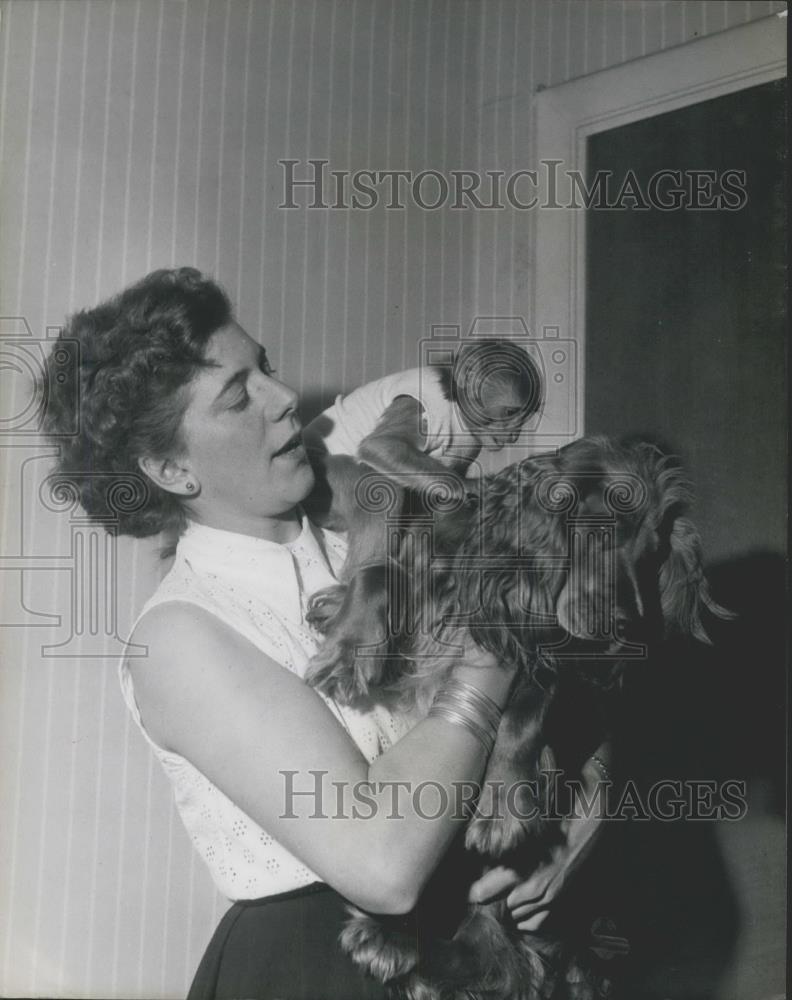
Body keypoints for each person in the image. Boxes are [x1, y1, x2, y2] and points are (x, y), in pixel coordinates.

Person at [43, 267, 569, 1000]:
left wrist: (573, 830)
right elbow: (383, 864)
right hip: (318, 970)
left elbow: (556, 714)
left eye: (266, 369)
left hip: (473, 949)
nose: (284, 397)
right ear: (170, 467)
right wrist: (500, 628)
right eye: (238, 394)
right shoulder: (178, 638)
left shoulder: (391, 532)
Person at [304, 338, 544, 493]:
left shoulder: (472, 431)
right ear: (470, 385)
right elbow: (376, 449)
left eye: (524, 418)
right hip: (318, 471)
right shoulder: (429, 399)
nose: (513, 435)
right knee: (383, 498)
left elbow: (438, 491)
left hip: (359, 479)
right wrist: (465, 487)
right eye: (509, 413)